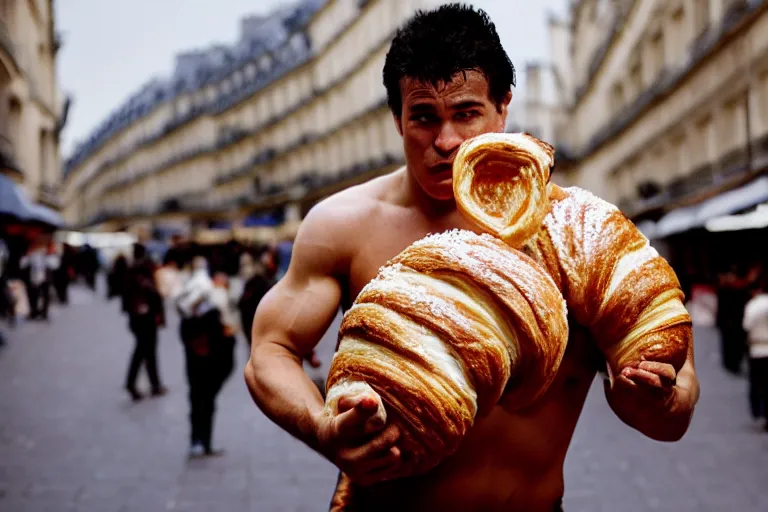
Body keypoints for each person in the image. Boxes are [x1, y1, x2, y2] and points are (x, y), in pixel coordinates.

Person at [244, 5, 700, 512]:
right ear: (397, 118)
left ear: (502, 107)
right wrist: (322, 429)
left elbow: (676, 405)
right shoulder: (343, 226)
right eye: (423, 117)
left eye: (465, 113)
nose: (446, 142)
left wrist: (656, 402)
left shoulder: (584, 242)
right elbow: (270, 351)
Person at [176, 257, 233, 457]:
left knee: (202, 400)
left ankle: (202, 441)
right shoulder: (206, 314)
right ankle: (199, 441)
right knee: (201, 400)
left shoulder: (203, 313)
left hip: (203, 362)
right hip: (202, 362)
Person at [122, 243, 167, 401]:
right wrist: (160, 314)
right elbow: (153, 294)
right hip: (145, 317)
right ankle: (133, 383)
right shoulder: (142, 270)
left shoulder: (131, 269)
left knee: (146, 351)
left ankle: (153, 384)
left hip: (138, 317)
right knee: (144, 351)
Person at [742, 273, 768, 431]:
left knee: (758, 383)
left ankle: (758, 411)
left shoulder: (754, 305)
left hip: (757, 349)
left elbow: (747, 326)